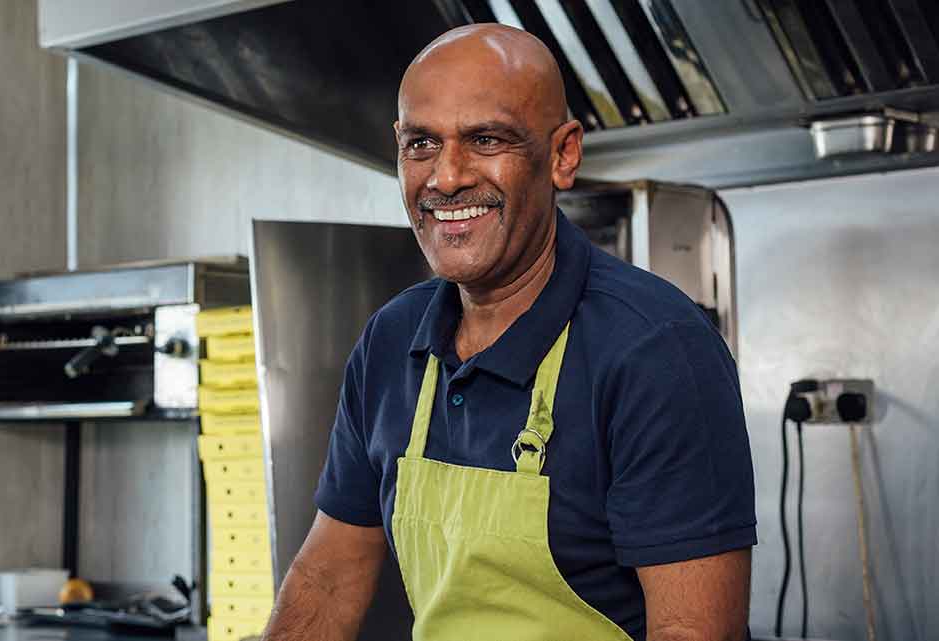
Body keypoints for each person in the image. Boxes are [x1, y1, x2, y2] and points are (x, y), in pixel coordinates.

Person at [261, 24, 755, 641]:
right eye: (421, 143)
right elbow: (328, 578)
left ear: (563, 154)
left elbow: (694, 633)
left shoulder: (656, 352)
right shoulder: (390, 342)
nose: (446, 177)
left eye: (485, 138)